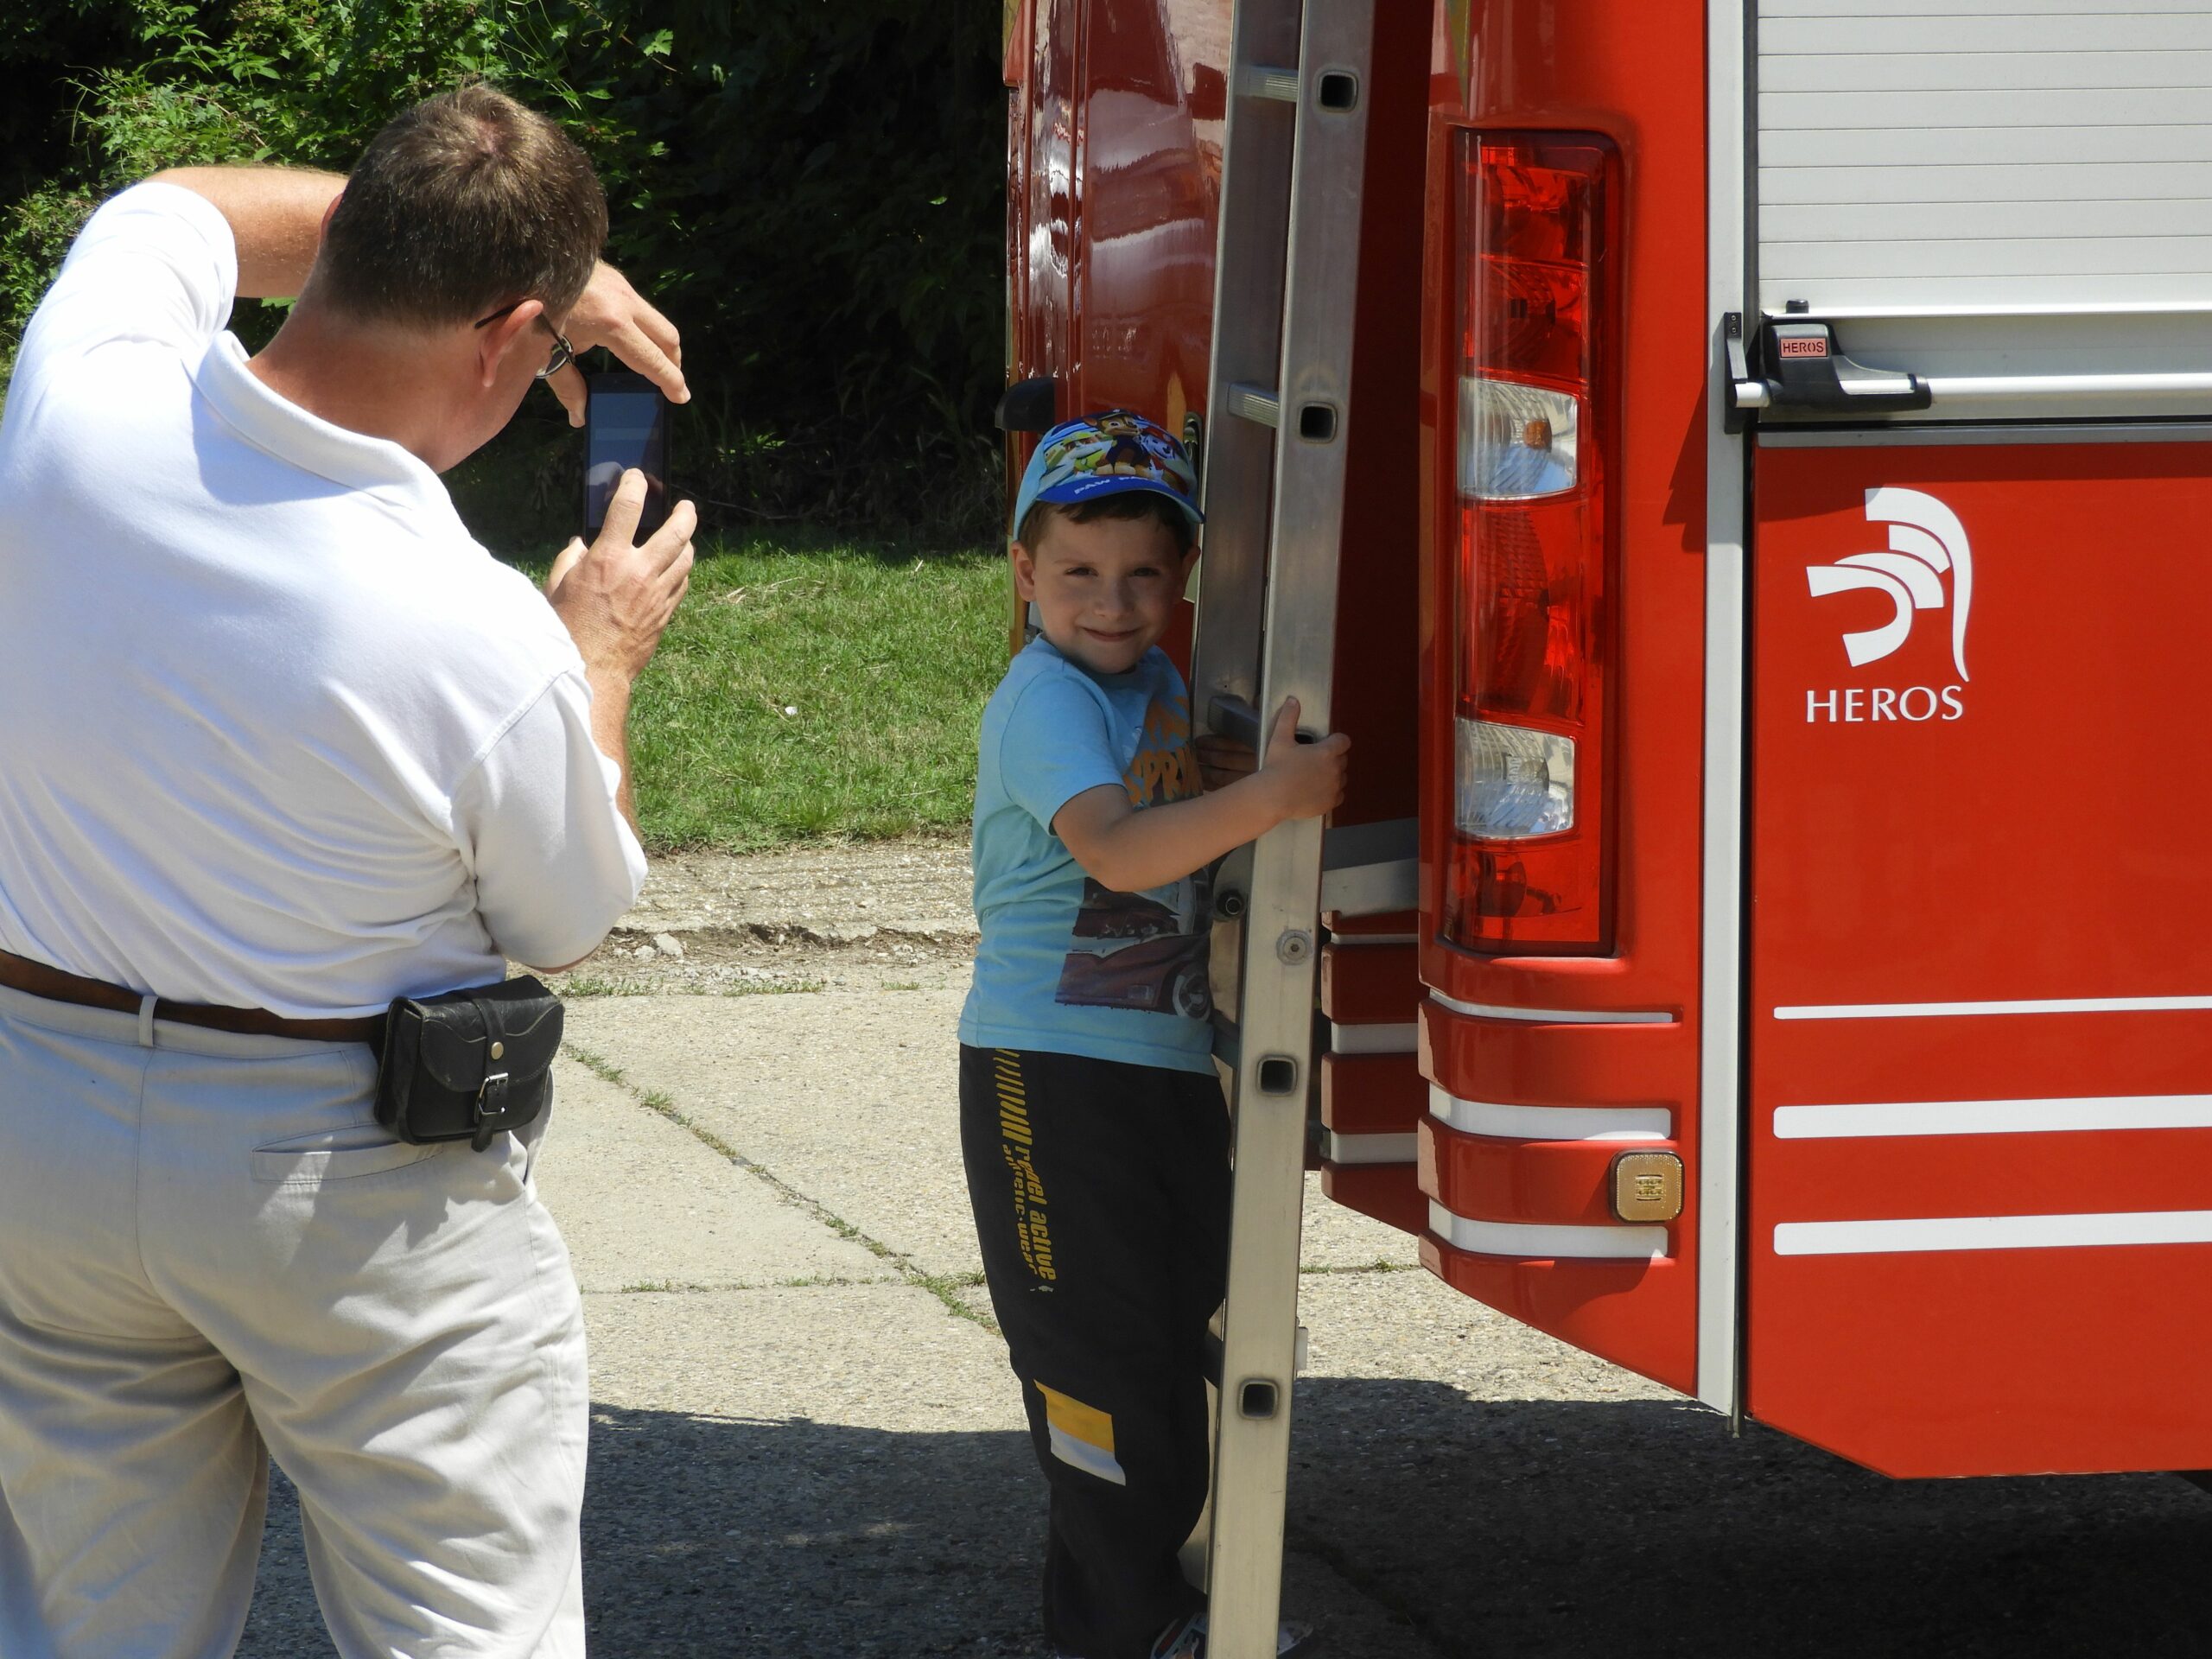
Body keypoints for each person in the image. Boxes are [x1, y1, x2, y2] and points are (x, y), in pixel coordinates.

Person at [0, 86, 694, 1656]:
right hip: (337, 1171)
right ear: (511, 334)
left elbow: (175, 200)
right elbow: (568, 919)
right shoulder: (474, 629)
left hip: (36, 1112)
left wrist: (533, 273)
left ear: (347, 241)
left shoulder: (83, 395)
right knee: (468, 1627)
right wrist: (602, 657)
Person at [957, 411, 1349, 1659]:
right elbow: (1119, 849)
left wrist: (1236, 766)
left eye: (1143, 576)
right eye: (1077, 573)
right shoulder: (1045, 701)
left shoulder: (1155, 687)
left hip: (1164, 1072)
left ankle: (1136, 1622)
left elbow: (1183, 782)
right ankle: (1132, 1631)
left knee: (1179, 1344)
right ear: (1025, 575)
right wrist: (1270, 799)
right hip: (1049, 1076)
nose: (1113, 605)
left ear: (1182, 578)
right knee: (1097, 1366)